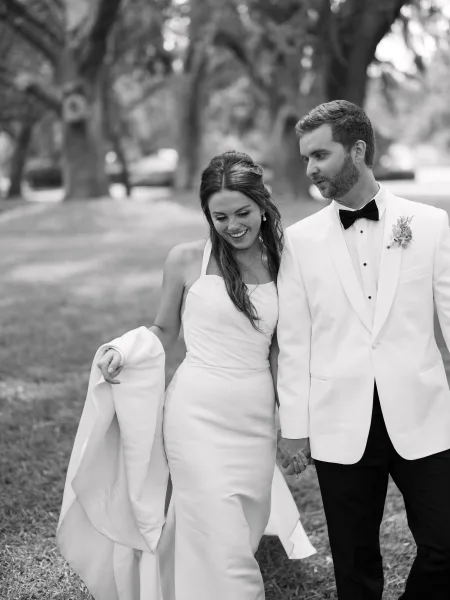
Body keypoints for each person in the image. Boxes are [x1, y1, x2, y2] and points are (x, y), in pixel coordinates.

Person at [95, 151, 315, 600]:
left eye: (243, 213)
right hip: (194, 413)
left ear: (262, 205)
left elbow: (281, 352)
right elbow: (164, 329)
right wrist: (124, 349)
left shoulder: (286, 264)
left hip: (252, 416)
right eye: (220, 216)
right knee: (221, 537)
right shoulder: (184, 260)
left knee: (238, 528)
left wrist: (291, 425)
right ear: (206, 215)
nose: (234, 225)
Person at [277, 99, 450, 599]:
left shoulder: (430, 224)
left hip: (423, 414)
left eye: (320, 155)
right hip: (340, 421)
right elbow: (294, 340)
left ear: (357, 149)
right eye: (306, 157)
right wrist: (294, 429)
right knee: (354, 567)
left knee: (444, 544)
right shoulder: (299, 241)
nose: (310, 169)